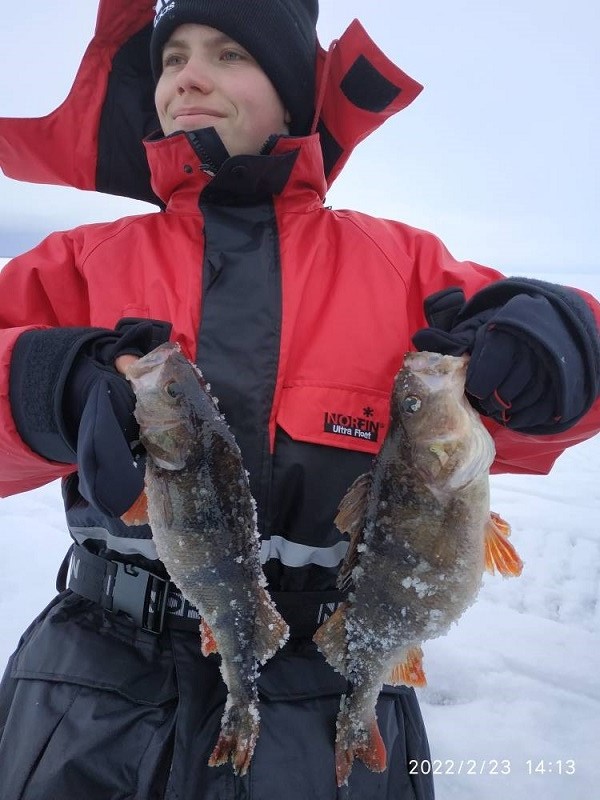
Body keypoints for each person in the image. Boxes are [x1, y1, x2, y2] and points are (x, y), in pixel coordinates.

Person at [0, 1, 598, 798]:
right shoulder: (74, 264)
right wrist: (46, 386)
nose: (190, 77)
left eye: (229, 53)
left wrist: (558, 345)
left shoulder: (405, 266)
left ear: (291, 94)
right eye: (173, 57)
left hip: (331, 704)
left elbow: (565, 384)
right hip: (91, 700)